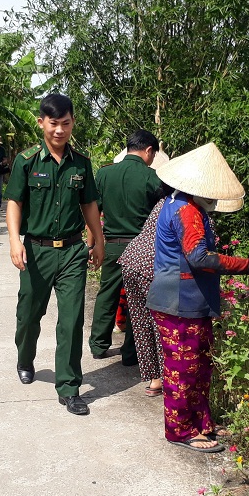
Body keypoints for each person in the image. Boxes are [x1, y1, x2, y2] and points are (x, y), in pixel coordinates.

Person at [147, 143, 249, 452]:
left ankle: (201, 423)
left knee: (199, 366)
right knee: (183, 369)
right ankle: (180, 431)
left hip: (185, 300)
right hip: (178, 301)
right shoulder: (187, 211)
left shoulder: (177, 202)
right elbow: (200, 257)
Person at [4, 94, 105, 416]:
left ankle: (69, 387)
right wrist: (13, 241)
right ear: (41, 123)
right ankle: (25, 357)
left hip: (73, 250)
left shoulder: (81, 163)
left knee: (72, 320)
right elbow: (15, 202)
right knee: (29, 315)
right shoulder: (27, 161)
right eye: (53, 123)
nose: (59, 130)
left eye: (65, 123)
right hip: (36, 250)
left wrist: (98, 239)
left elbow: (89, 203)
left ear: (73, 122)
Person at [88, 130, 167, 366]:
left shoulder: (104, 174)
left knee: (107, 294)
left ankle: (98, 345)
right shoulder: (153, 178)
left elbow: (92, 213)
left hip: (111, 245)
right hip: (141, 249)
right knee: (138, 299)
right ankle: (131, 353)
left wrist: (92, 245)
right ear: (149, 150)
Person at [118, 194, 169, 397]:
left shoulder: (164, 201)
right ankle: (165, 377)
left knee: (141, 322)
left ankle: (154, 379)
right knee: (161, 323)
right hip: (150, 264)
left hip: (132, 259)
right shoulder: (187, 208)